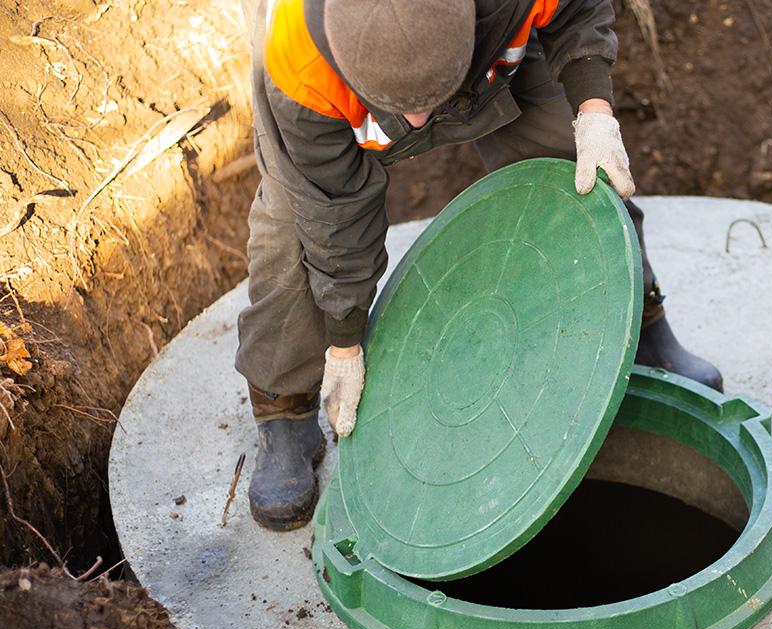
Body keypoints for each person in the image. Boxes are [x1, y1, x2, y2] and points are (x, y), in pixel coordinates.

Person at [236, 0, 723, 530]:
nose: (418, 124)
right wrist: (344, 340)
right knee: (293, 232)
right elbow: (334, 217)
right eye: (405, 110)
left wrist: (594, 111)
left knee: (574, 163)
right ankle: (284, 408)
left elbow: (578, 12)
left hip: (486, 54)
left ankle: (635, 319)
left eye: (428, 103)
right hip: (329, 97)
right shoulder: (299, 64)